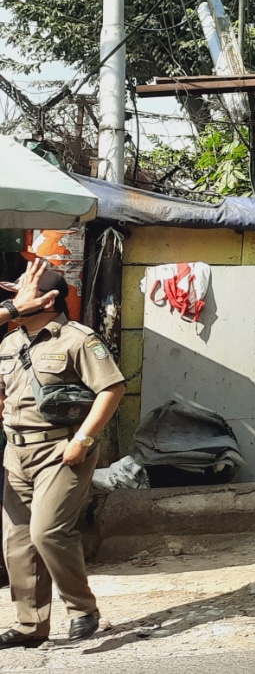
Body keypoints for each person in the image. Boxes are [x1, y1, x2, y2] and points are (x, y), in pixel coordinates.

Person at [0, 256, 124, 646]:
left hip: (61, 449)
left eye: (26, 290)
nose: (17, 296)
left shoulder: (78, 339)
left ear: (49, 299)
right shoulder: (9, 341)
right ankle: (30, 625)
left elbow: (112, 388)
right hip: (15, 452)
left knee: (48, 531)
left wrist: (84, 440)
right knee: (17, 542)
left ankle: (82, 608)